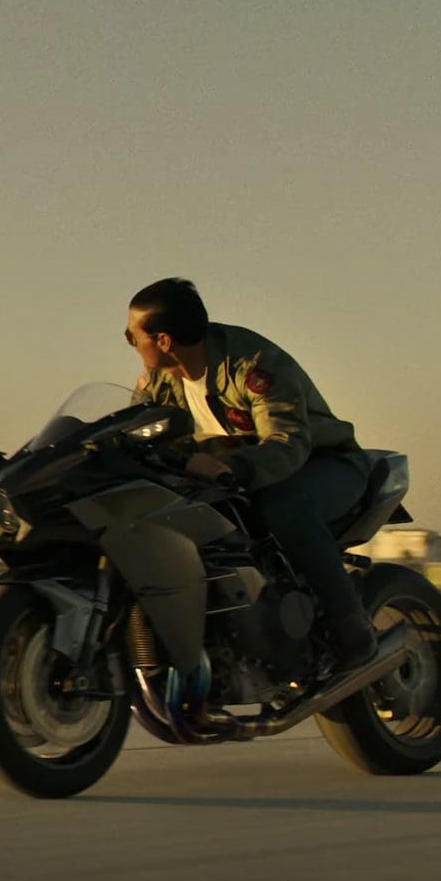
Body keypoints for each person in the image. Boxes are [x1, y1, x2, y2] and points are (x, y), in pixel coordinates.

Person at [123, 278, 381, 668]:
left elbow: (288, 442)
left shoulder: (252, 365)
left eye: (131, 336)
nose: (130, 343)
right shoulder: (157, 381)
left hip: (323, 463)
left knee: (282, 506)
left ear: (163, 341)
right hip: (233, 476)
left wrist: (232, 467)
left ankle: (351, 623)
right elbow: (135, 434)